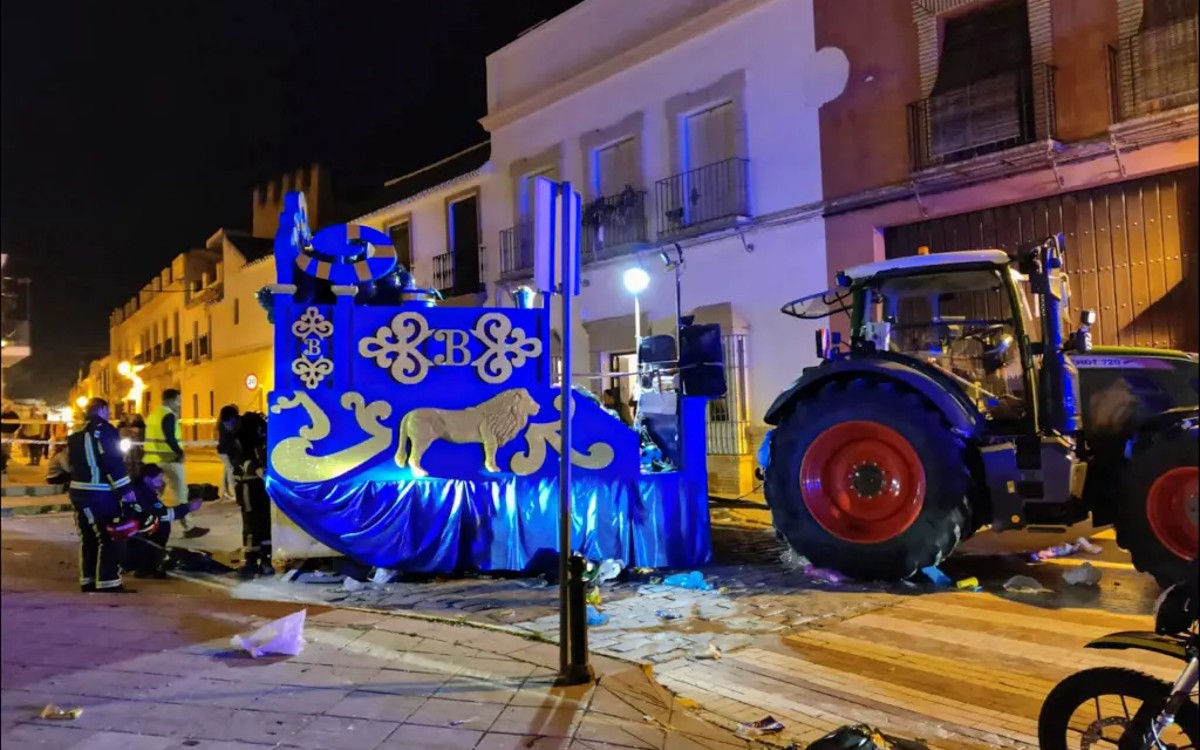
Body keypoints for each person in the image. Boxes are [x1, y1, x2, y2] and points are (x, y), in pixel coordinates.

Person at [68, 398, 136, 593]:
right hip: (98, 492)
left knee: (89, 537)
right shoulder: (105, 430)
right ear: (104, 410)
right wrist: (125, 488)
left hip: (79, 491)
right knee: (110, 535)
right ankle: (108, 582)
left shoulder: (76, 431)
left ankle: (88, 580)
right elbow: (112, 461)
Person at [144, 389, 207, 539]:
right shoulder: (168, 415)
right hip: (170, 460)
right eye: (178, 400)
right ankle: (189, 527)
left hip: (153, 461)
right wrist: (180, 453)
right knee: (181, 493)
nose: (179, 404)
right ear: (171, 400)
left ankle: (147, 522)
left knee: (153, 494)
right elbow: (170, 438)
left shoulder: (153, 415)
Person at [123, 464, 203, 578]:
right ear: (147, 478)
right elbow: (163, 515)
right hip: (133, 537)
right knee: (161, 525)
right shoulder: (145, 493)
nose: (161, 481)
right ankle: (146, 566)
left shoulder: (140, 488)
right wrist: (188, 508)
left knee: (158, 524)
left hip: (128, 534)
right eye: (158, 478)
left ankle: (140, 562)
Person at [235, 412, 273, 578]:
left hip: (261, 488)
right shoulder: (243, 442)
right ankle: (252, 560)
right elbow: (242, 461)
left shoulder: (263, 440)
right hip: (249, 488)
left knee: (264, 523)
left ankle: (264, 560)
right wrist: (257, 470)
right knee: (252, 524)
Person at [216, 405, 241, 502]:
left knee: (226, 471)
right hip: (225, 451)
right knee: (230, 471)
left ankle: (225, 492)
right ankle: (235, 493)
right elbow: (229, 440)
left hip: (223, 450)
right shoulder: (226, 425)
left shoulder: (221, 423)